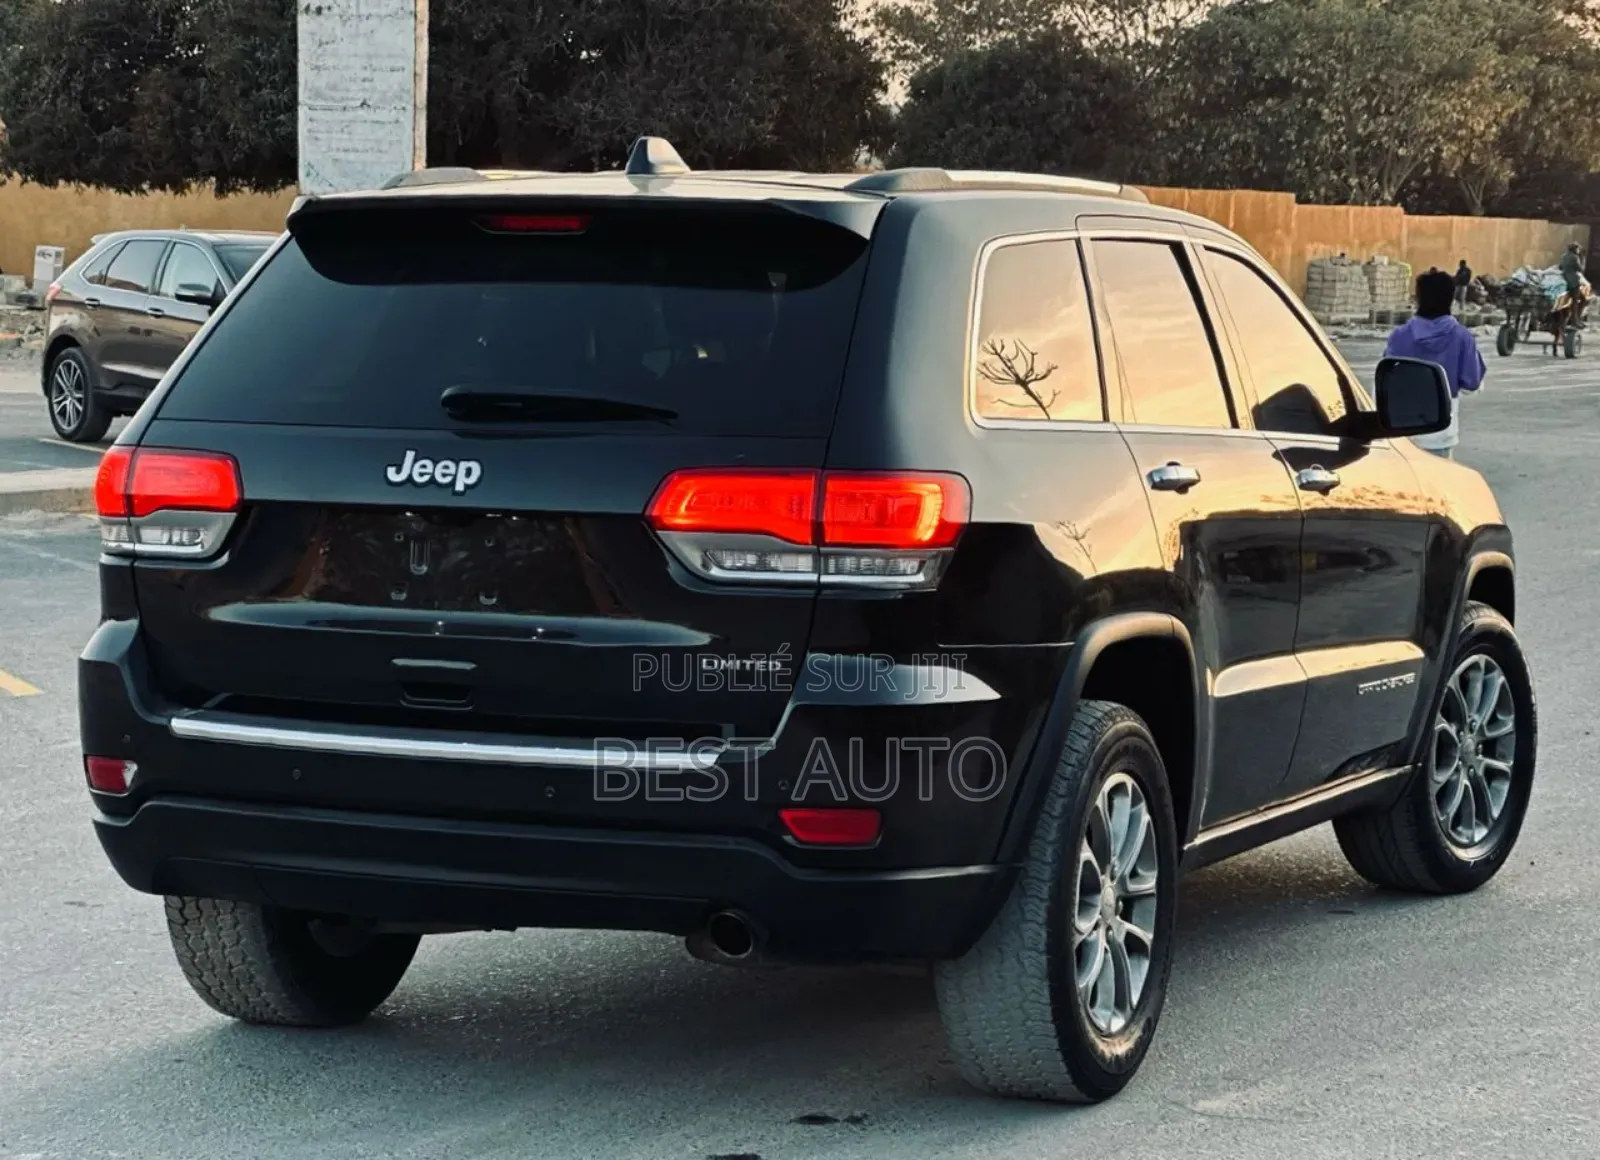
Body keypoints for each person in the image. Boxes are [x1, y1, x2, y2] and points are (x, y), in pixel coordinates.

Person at [1384, 270, 1485, 461]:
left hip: (1401, 430)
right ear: (1451, 298)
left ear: (1418, 298)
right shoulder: (1462, 337)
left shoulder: (1399, 336)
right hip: (1440, 433)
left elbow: (1386, 377)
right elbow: (1472, 384)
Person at [1559, 243, 1585, 327]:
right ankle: (1575, 320)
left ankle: (1571, 319)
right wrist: (1582, 259)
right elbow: (1580, 269)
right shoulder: (1575, 257)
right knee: (1577, 301)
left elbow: (1560, 267)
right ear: (1575, 250)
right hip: (1573, 281)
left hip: (1564, 279)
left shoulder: (1563, 256)